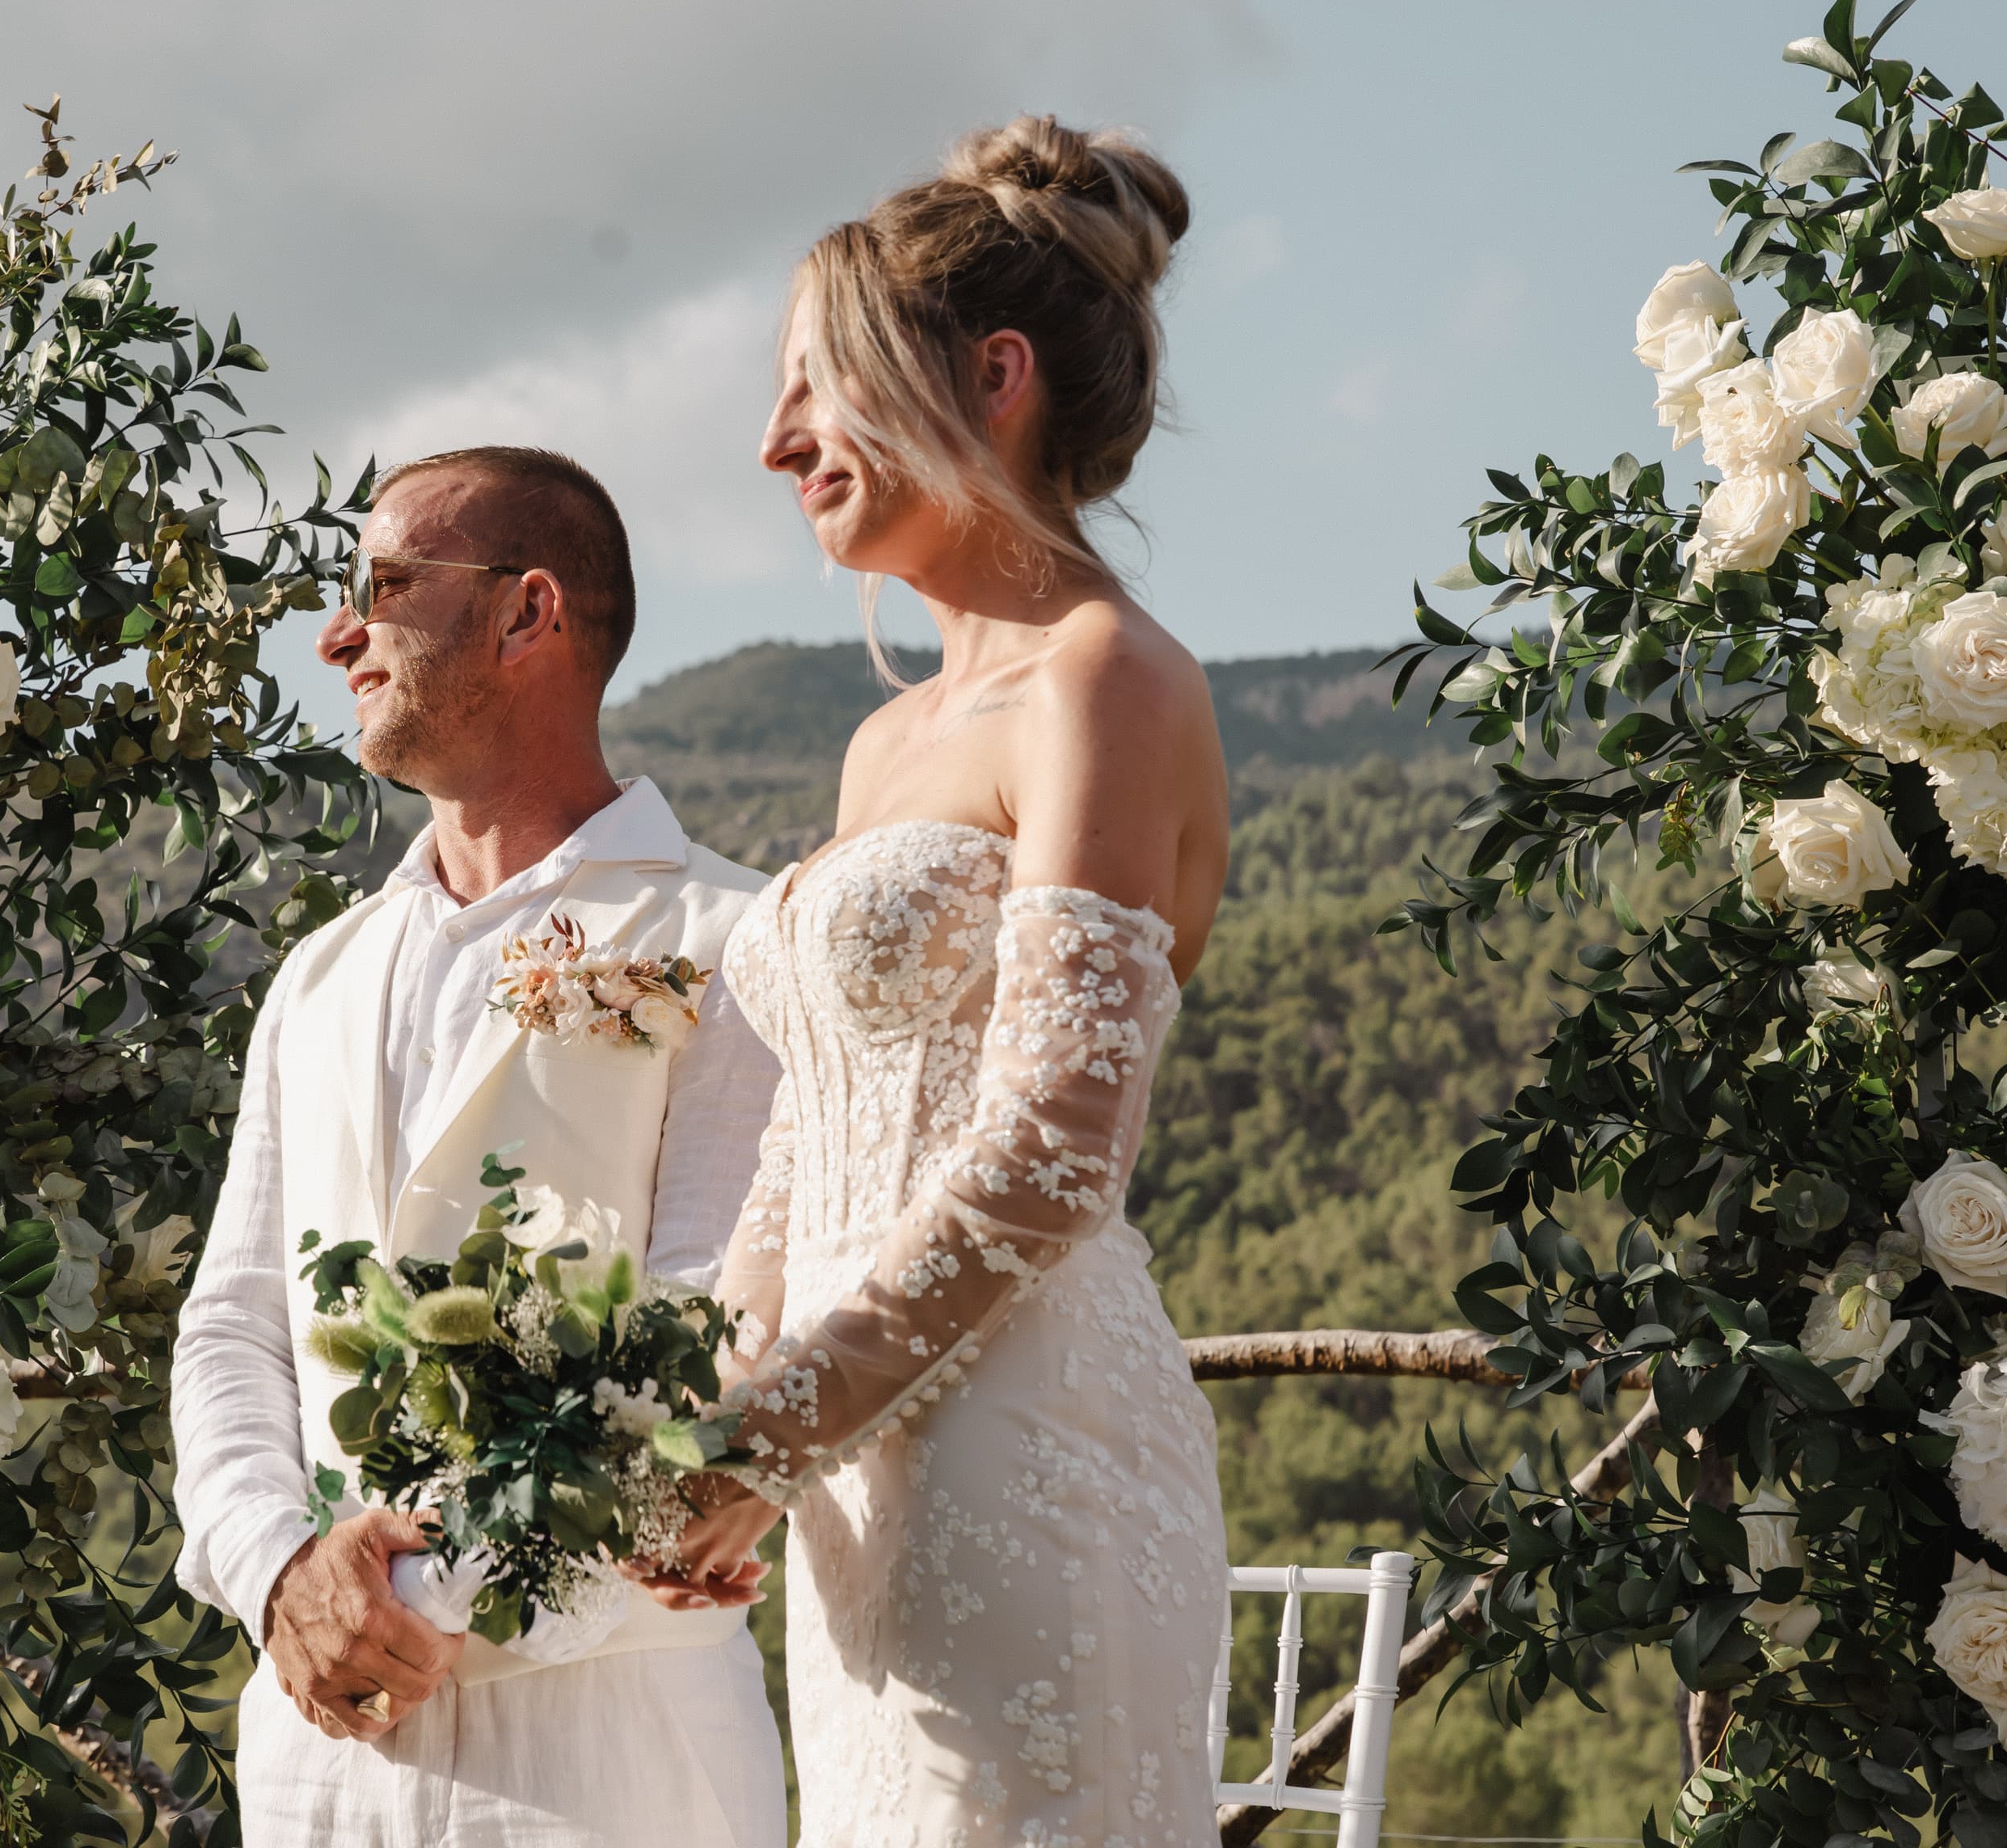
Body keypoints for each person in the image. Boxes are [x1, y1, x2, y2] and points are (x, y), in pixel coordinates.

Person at [642, 116, 1233, 1846]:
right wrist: (714, 1392)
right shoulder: (884, 740)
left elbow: (1055, 1142)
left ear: (994, 375)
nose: (773, 442)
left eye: (816, 387)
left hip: (1024, 1445)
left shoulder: (1105, 677)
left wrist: (777, 1425)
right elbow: (812, 1125)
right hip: (839, 1478)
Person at [170, 445, 790, 1848]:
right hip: (320, 1756)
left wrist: (421, 1610)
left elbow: (723, 1335)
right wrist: (283, 1579)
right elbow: (233, 1329)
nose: (337, 633)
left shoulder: (736, 940)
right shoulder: (316, 975)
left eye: (383, 587)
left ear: (528, 615)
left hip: (610, 1758)